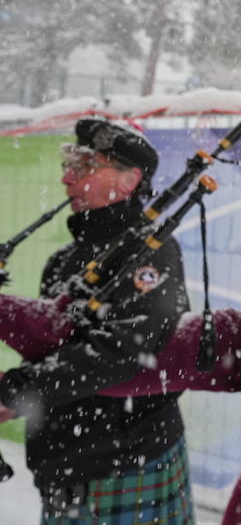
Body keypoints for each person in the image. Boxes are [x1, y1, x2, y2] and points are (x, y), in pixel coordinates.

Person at [0, 118, 194, 523]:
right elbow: (56, 349)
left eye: (85, 166)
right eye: (69, 166)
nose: (67, 178)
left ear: (128, 181)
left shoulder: (154, 252)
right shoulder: (62, 262)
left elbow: (122, 351)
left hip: (126, 465)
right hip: (62, 465)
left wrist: (17, 390)